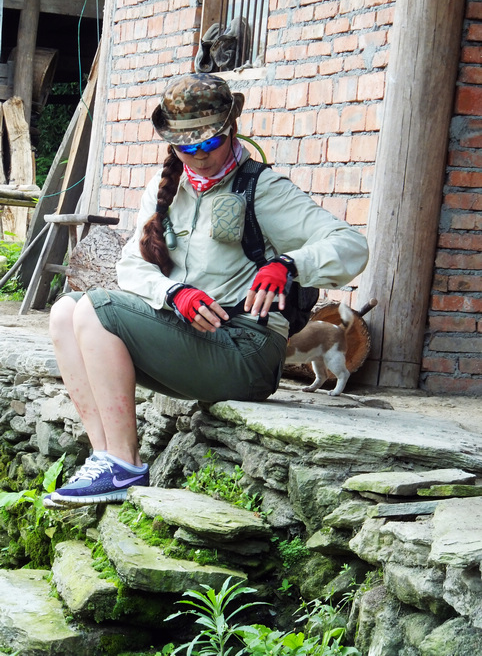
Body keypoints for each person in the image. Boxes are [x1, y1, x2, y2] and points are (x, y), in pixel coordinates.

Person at [45, 73, 368, 507]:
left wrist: (287, 265)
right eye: (186, 147)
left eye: (209, 143)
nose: (198, 156)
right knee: (65, 311)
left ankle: (123, 464)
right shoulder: (164, 188)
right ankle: (108, 458)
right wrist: (175, 293)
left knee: (94, 309)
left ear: (231, 128)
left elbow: (352, 245)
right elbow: (130, 267)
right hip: (189, 338)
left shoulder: (262, 188)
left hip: (246, 349)